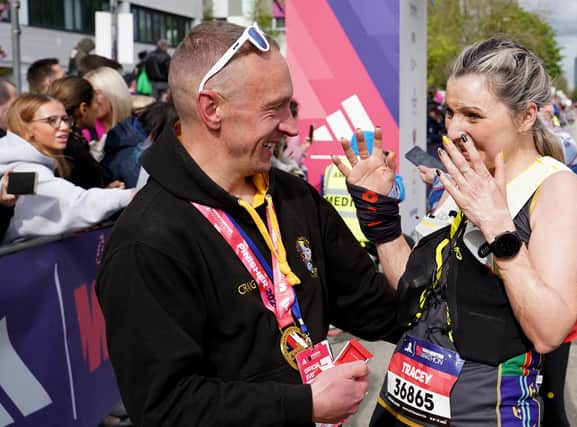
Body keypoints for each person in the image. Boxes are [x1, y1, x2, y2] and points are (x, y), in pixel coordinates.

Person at [95, 21, 400, 426]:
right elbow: (164, 407)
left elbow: (381, 311)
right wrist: (302, 404)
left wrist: (383, 224)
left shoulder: (293, 196)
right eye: (275, 109)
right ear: (212, 109)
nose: (292, 126)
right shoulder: (148, 239)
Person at [333, 38, 577, 426]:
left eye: (473, 115)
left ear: (526, 116)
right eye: (451, 112)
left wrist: (499, 230)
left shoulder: (555, 189)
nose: (454, 129)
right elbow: (415, 286)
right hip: (402, 400)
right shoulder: (465, 176)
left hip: (484, 412)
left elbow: (549, 331)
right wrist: (382, 221)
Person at [0, 94, 134, 243]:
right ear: (27, 127)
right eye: (51, 121)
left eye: (65, 119)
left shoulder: (22, 160)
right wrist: (130, 195)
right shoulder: (26, 169)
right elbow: (77, 203)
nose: (64, 127)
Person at [47, 76, 110, 189]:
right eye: (96, 102)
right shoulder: (72, 149)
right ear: (84, 109)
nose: (97, 108)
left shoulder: (46, 140)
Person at [83, 67, 133, 161]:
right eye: (86, 95)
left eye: (96, 93)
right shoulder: (86, 132)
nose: (91, 100)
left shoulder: (139, 126)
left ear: (113, 93)